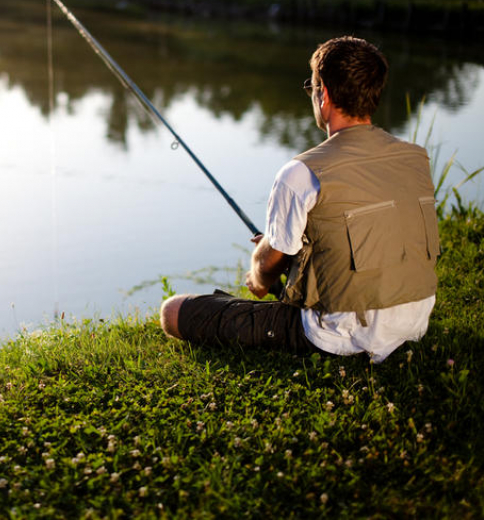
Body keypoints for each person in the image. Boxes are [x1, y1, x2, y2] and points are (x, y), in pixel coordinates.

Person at [160, 36, 439, 363]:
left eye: (313, 88)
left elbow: (267, 266)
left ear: (325, 96)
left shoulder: (301, 173)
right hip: (414, 323)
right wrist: (280, 247)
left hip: (342, 337)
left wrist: (258, 274)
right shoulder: (414, 158)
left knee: (173, 312)